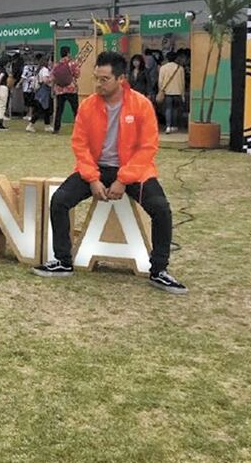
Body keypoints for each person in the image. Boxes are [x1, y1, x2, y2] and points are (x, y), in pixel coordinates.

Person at [33, 51, 187, 294]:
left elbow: (148, 148)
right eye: (96, 78)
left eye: (104, 79)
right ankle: (63, 261)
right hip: (96, 168)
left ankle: (159, 270)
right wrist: (92, 179)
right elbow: (80, 146)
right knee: (60, 200)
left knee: (161, 208)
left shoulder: (141, 105)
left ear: (121, 79)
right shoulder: (87, 106)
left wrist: (123, 180)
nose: (98, 84)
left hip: (134, 170)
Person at [51, 46, 80, 134]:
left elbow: (53, 77)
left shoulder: (56, 65)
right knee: (75, 110)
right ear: (68, 53)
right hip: (71, 89)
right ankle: (79, 128)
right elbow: (77, 74)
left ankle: (56, 129)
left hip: (59, 90)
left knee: (59, 110)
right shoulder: (72, 63)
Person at [157, 51, 186, 134]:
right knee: (175, 109)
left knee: (168, 109)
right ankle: (174, 126)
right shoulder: (180, 68)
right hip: (177, 92)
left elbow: (160, 81)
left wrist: (160, 90)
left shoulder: (163, 68)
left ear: (167, 58)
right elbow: (182, 82)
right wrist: (182, 94)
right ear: (176, 58)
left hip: (167, 92)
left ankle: (168, 126)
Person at [26, 55, 53, 132]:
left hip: (40, 91)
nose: (50, 62)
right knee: (41, 108)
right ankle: (30, 125)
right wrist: (51, 79)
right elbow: (45, 80)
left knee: (46, 109)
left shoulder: (40, 69)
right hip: (43, 91)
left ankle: (47, 125)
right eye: (50, 61)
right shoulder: (45, 70)